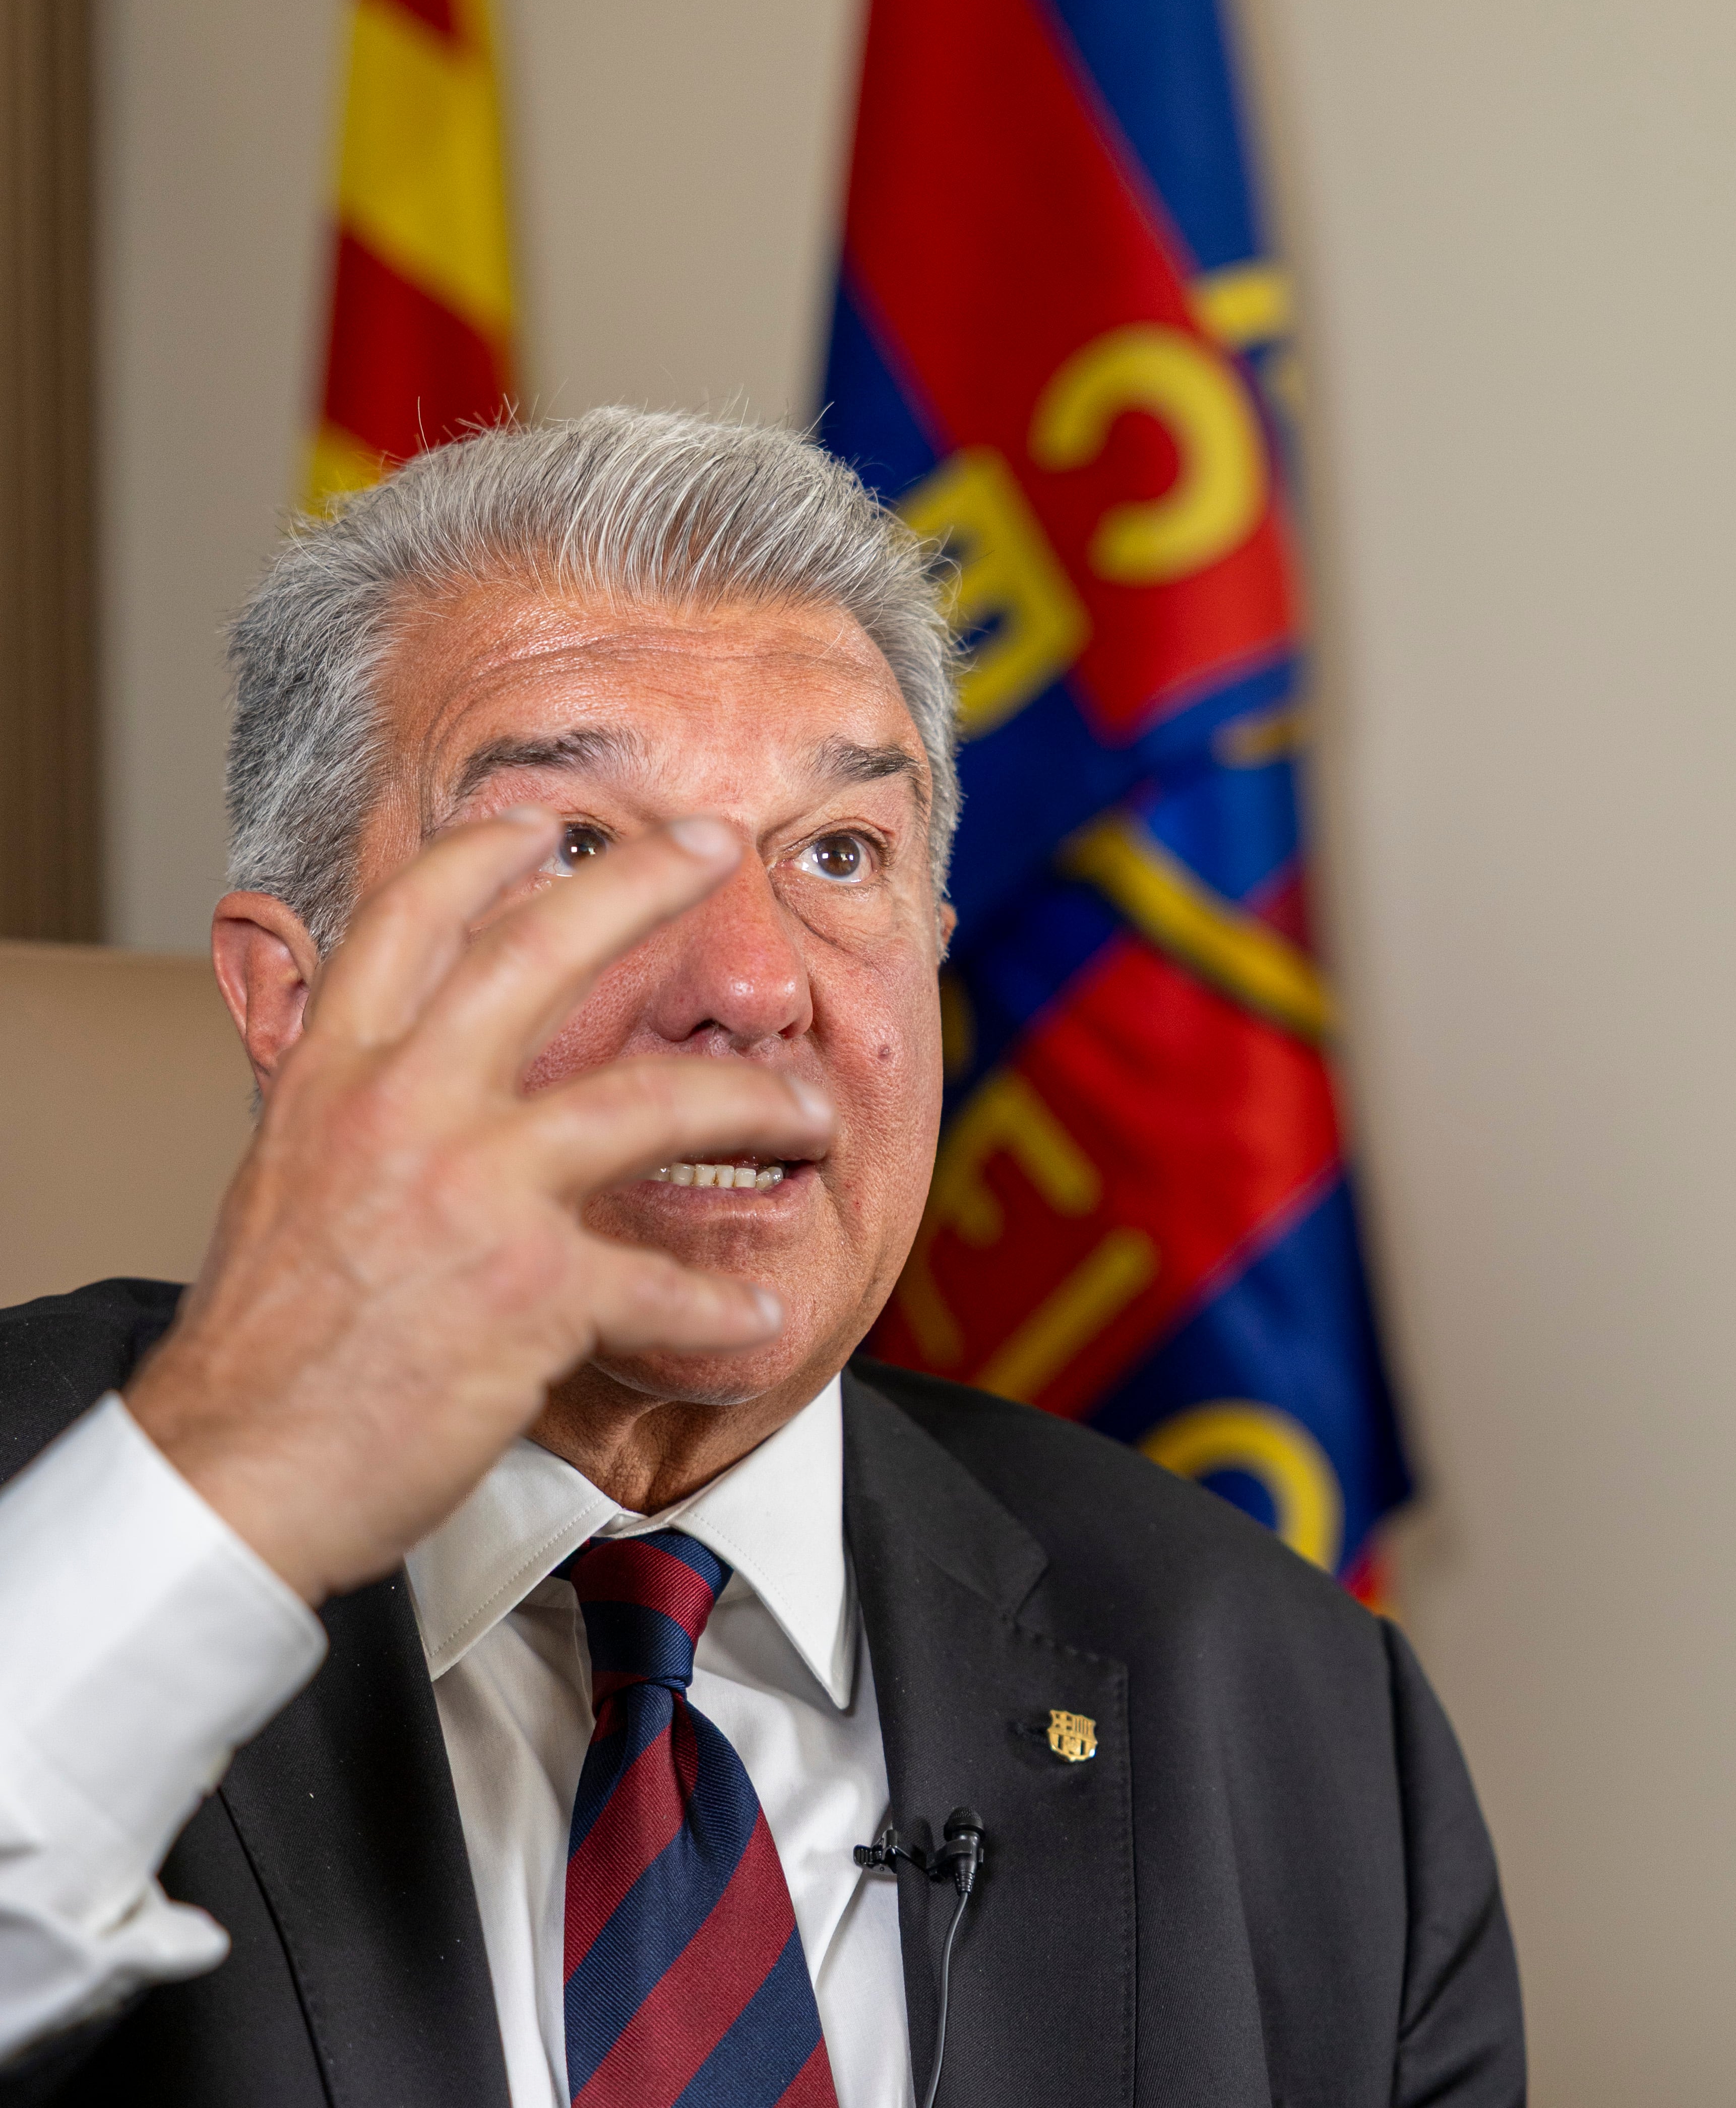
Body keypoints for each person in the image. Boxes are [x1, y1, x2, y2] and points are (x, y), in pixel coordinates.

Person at [0, 411, 1523, 2108]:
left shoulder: (1293, 1708)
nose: (751, 982)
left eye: (838, 856)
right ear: (292, 1002)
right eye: (575, 849)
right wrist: (236, 1481)